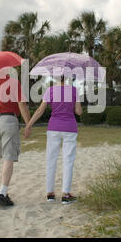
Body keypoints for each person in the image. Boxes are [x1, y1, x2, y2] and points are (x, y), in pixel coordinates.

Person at [24, 76, 82, 204]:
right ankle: (66, 194)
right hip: (70, 128)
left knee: (51, 160)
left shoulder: (50, 90)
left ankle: (50, 194)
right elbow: (78, 112)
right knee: (68, 161)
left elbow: (40, 110)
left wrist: (29, 125)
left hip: (53, 128)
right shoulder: (74, 90)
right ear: (66, 77)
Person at [0, 70, 30, 207]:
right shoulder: (13, 82)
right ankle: (3, 193)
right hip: (8, 119)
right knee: (8, 156)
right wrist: (28, 124)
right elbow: (22, 104)